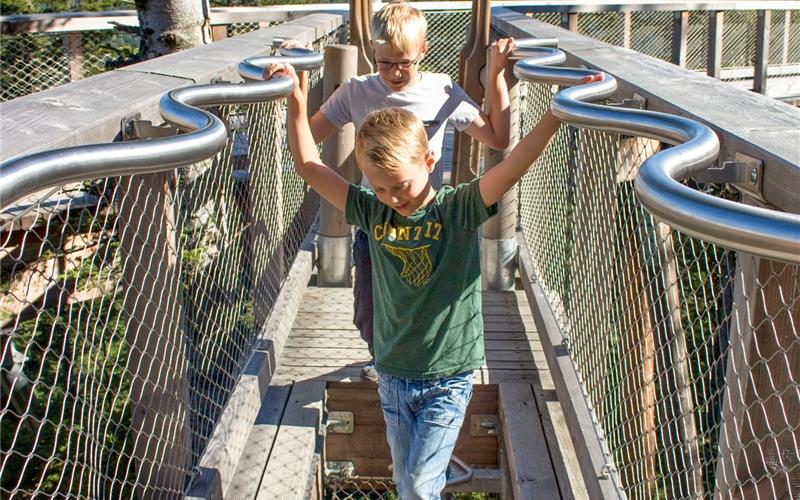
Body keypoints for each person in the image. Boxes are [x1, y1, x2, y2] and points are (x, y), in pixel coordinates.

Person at [282, 57, 598, 498]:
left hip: (447, 376)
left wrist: (555, 114)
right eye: (380, 187)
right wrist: (297, 102)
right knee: (405, 479)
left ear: (430, 159)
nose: (393, 198)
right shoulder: (373, 211)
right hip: (392, 372)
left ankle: (433, 477)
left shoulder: (458, 208)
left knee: (415, 486)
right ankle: (436, 475)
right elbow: (309, 166)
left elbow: (513, 165)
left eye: (401, 186)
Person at [265, 1, 516, 382]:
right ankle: (383, 358)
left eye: (406, 63)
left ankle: (421, 367)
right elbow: (309, 139)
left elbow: (496, 135)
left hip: (431, 224)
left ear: (423, 52)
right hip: (376, 219)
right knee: (368, 307)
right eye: (385, 63)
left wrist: (496, 74)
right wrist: (294, 94)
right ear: (372, 53)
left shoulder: (441, 90)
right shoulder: (356, 92)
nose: (396, 73)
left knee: (421, 304)